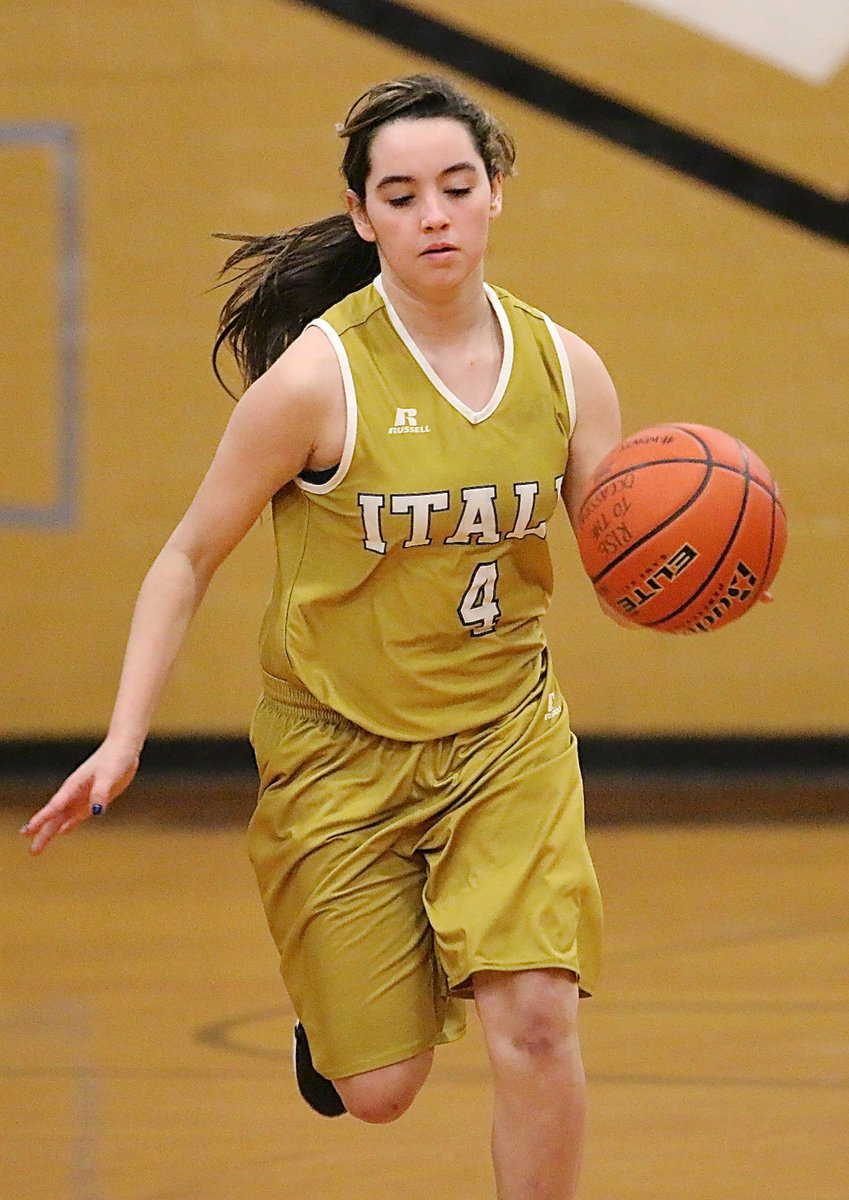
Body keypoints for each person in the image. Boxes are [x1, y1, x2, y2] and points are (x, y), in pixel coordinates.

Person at [21, 74, 622, 1199]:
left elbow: (621, 559)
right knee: (381, 1086)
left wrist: (698, 571)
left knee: (538, 1023)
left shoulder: (567, 369)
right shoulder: (314, 381)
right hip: (340, 749)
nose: (433, 213)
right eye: (401, 195)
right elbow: (187, 556)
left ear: (496, 193)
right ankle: (341, 1026)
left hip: (507, 738)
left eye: (455, 185)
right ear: (362, 217)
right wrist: (123, 736)